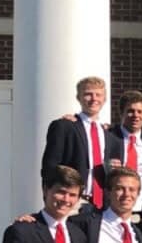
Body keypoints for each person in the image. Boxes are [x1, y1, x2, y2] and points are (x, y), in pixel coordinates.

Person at [41, 75, 119, 210]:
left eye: (98, 95)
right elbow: (50, 166)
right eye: (88, 94)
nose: (94, 99)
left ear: (105, 99)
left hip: (104, 204)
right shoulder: (64, 126)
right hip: (73, 202)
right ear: (79, 97)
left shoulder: (110, 133)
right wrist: (50, 198)